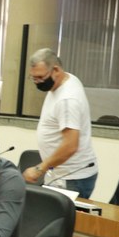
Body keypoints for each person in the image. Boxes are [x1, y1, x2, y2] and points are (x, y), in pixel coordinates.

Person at [22, 48, 98, 198]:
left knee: (59, 213)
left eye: (40, 77)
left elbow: (70, 145)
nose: (37, 82)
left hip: (71, 176)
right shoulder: (67, 79)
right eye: (33, 78)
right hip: (59, 172)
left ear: (56, 70)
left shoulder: (67, 100)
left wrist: (39, 169)